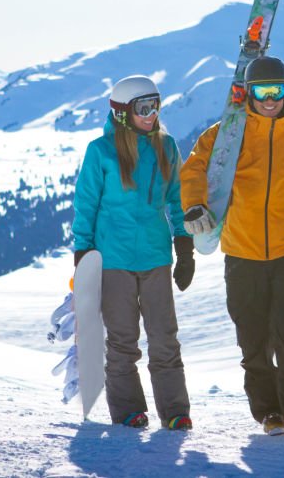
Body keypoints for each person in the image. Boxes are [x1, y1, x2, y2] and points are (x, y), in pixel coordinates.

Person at [180, 56, 284, 437]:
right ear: (248, 93)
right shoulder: (227, 134)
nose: (270, 99)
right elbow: (195, 168)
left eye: (277, 90)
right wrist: (195, 204)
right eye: (262, 91)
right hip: (241, 249)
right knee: (252, 334)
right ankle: (268, 411)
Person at [72, 75, 195, 431]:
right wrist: (83, 252)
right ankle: (128, 410)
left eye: (156, 105)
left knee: (164, 339)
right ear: (123, 113)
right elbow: (86, 204)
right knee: (123, 341)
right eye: (144, 107)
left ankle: (175, 411)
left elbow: (177, 199)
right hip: (114, 261)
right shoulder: (101, 151)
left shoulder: (165, 146)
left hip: (156, 257)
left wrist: (184, 245)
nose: (152, 113)